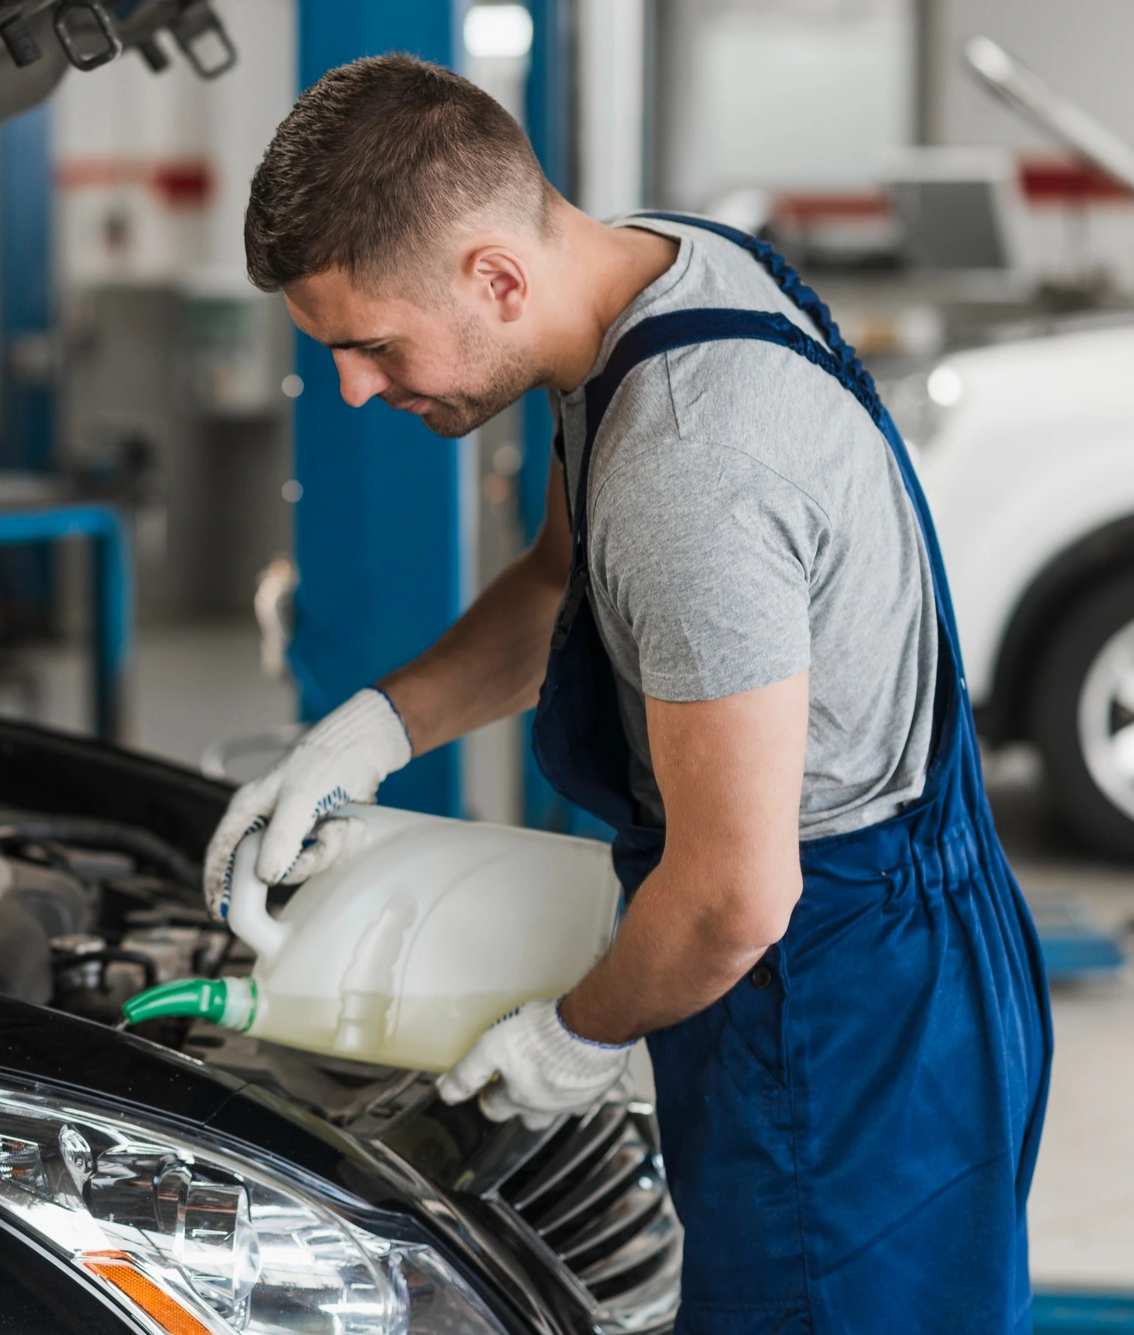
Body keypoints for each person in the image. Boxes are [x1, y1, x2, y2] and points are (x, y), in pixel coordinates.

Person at [207, 54, 1051, 1333]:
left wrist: (575, 1035)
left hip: (833, 1007)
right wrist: (369, 730)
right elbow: (563, 576)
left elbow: (730, 897)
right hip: (885, 944)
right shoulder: (656, 268)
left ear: (494, 274)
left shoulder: (690, 467)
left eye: (370, 344)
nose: (354, 388)